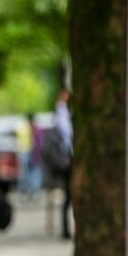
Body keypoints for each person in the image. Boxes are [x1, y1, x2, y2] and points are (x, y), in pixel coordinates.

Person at [52, 88, 74, 239]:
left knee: (68, 196)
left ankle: (66, 229)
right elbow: (67, 136)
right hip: (66, 158)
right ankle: (65, 229)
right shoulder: (62, 113)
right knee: (68, 195)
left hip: (65, 158)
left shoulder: (62, 113)